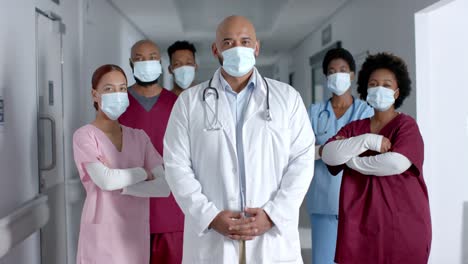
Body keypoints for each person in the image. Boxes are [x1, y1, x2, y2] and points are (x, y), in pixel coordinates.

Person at [163, 15, 315, 264]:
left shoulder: (287, 98)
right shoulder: (189, 102)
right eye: (228, 42)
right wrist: (209, 216)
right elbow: (176, 165)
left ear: (257, 47)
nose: (237, 49)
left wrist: (273, 214)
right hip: (214, 236)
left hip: (271, 236)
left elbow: (302, 160)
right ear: (216, 49)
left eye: (245, 41)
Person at [321, 53, 432, 263]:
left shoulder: (406, 126)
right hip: (360, 225)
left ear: (397, 92)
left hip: (402, 223)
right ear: (365, 89)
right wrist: (367, 141)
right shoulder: (356, 128)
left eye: (386, 85)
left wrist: (353, 161)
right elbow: (329, 154)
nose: (379, 88)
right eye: (373, 84)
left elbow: (396, 162)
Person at [73, 64, 170, 264]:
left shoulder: (139, 137)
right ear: (94, 94)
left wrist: (123, 184)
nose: (117, 94)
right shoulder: (85, 136)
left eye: (122, 88)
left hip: (134, 235)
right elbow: (106, 182)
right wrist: (143, 173)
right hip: (101, 236)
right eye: (108, 89)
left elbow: (164, 187)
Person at [305, 47, 373, 264]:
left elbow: (365, 149)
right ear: (326, 77)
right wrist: (340, 148)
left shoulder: (365, 111)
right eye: (332, 71)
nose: (337, 75)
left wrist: (323, 150)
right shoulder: (315, 112)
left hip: (357, 201)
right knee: (324, 260)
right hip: (323, 202)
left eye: (342, 70)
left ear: (352, 75)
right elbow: (302, 150)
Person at [118, 40, 184, 264]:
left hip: (171, 211)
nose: (146, 63)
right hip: (129, 211)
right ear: (130, 63)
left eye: (152, 57)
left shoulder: (177, 103)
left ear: (160, 62)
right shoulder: (118, 105)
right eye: (139, 58)